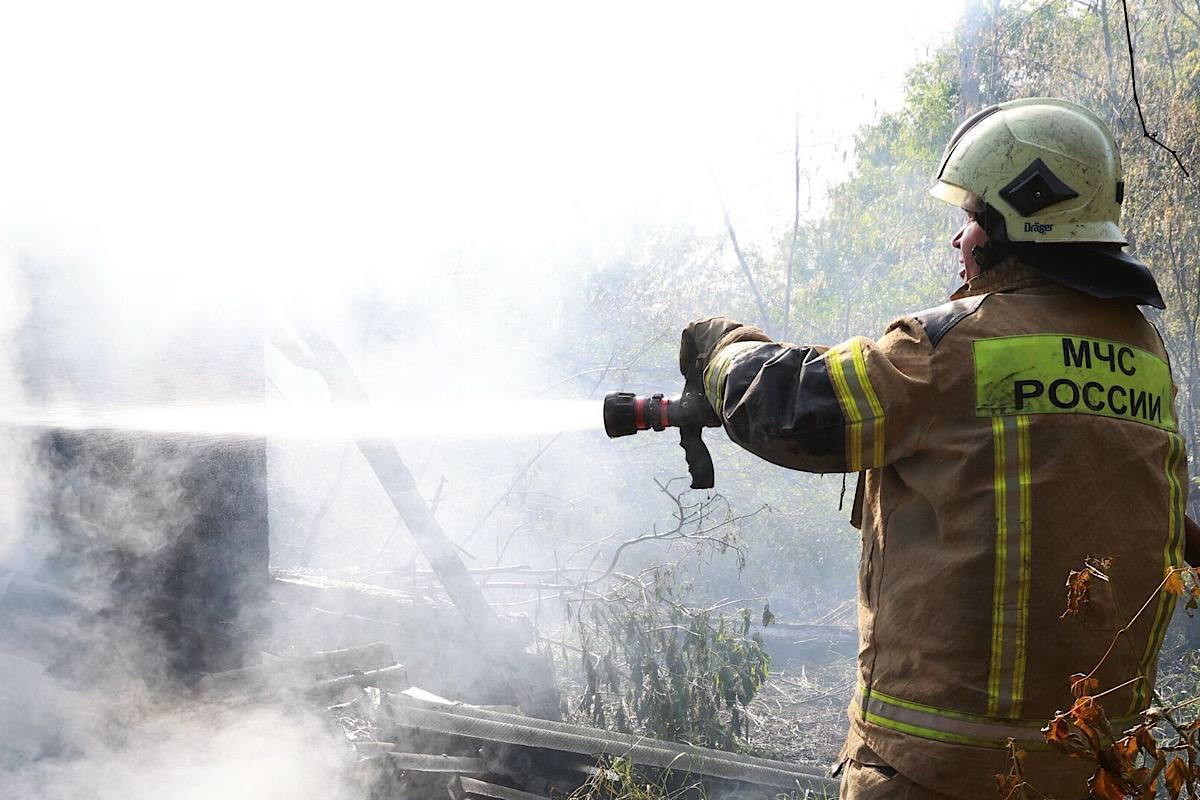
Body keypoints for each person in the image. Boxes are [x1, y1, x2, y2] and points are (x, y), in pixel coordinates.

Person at [681, 98, 1190, 798]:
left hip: (932, 772)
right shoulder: (1143, 353)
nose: (959, 242)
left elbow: (791, 406)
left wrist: (717, 346)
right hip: (1089, 770)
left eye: (972, 218)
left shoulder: (954, 346)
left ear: (1019, 221)